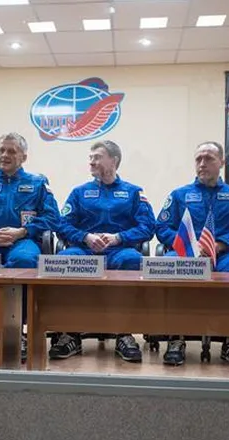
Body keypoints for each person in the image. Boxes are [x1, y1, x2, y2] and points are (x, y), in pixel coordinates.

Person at [155, 141, 229, 369]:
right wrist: (189, 246)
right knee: (167, 265)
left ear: (221, 162)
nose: (202, 163)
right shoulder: (179, 195)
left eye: (209, 158)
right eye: (198, 159)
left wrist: (221, 244)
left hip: (225, 255)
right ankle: (176, 339)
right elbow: (162, 228)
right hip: (187, 254)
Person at [51, 140, 156, 362]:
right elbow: (61, 224)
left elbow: (148, 226)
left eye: (97, 157)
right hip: (85, 251)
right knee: (63, 260)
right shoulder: (79, 193)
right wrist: (85, 237)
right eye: (90, 157)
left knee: (133, 260)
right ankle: (70, 333)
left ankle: (124, 333)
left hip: (119, 250)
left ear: (114, 161)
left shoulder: (134, 192)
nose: (91, 161)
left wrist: (119, 237)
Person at [0, 132, 60, 363]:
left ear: (24, 157)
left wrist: (23, 231)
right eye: (1, 150)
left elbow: (53, 218)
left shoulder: (37, 184)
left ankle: (19, 329)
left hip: (23, 240)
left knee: (24, 262)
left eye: (11, 151)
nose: (5, 155)